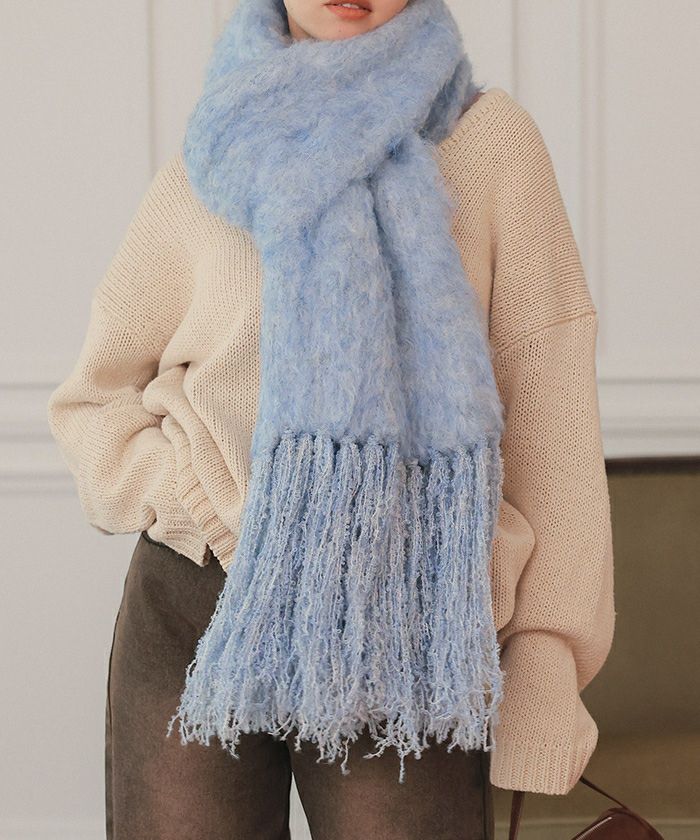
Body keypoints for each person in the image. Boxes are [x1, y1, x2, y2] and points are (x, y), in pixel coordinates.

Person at [46, 0, 615, 838]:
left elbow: (552, 414)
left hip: (411, 618)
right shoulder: (223, 141)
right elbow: (93, 399)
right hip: (201, 602)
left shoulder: (490, 145)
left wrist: (547, 659)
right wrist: (207, 510)